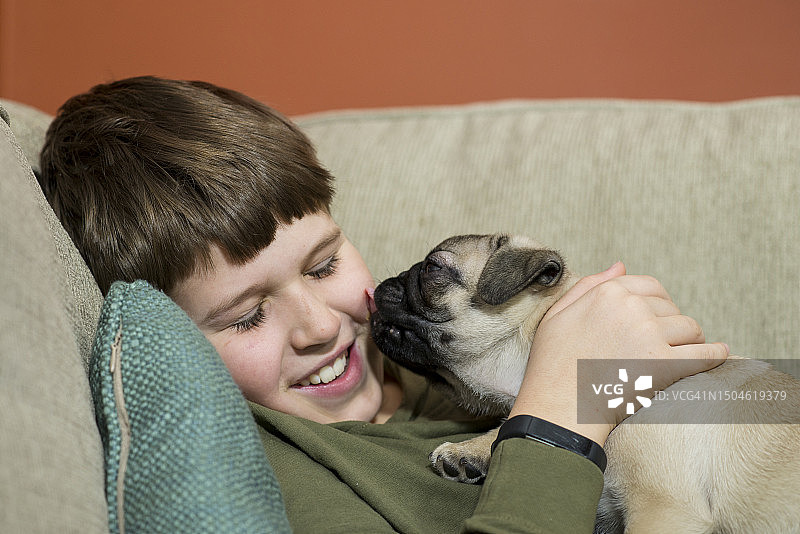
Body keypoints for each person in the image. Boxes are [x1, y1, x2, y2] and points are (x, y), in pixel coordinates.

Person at [38, 76, 728, 533]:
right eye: (246, 316)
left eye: (326, 264)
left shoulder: (449, 384)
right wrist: (557, 416)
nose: (320, 325)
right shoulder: (287, 472)